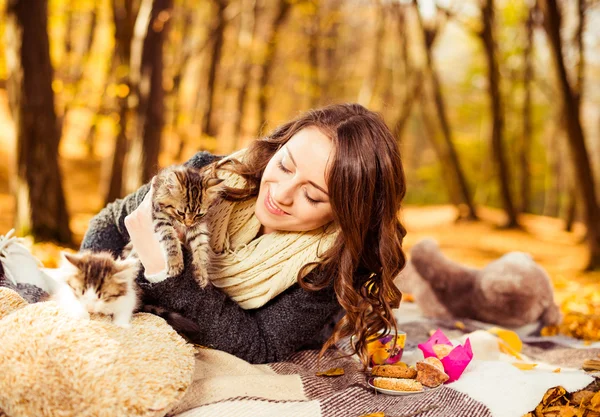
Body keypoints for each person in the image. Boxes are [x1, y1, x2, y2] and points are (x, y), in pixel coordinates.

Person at [66, 103, 408, 365]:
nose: (281, 194)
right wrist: (91, 293)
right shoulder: (212, 175)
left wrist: (166, 270)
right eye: (285, 165)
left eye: (312, 195)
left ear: (344, 214)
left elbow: (261, 344)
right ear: (277, 147)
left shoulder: (329, 264)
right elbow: (110, 222)